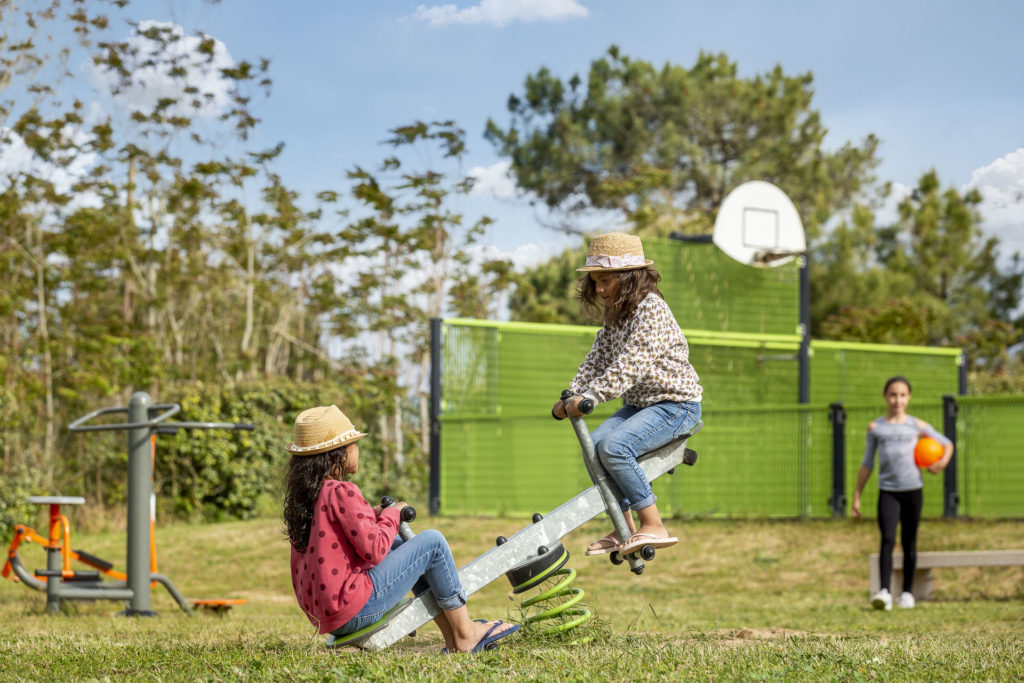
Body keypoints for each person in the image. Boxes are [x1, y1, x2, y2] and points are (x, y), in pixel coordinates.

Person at [282, 405, 519, 652]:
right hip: (354, 609)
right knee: (432, 543)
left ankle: (453, 636)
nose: (357, 449)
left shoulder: (309, 498)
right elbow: (374, 549)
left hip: (330, 616)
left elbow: (343, 533)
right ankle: (465, 633)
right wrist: (392, 515)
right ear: (337, 454)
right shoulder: (342, 491)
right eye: (353, 443)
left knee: (404, 547)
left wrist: (374, 515)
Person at [552, 232, 703, 557]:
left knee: (615, 447)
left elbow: (631, 364)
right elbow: (598, 359)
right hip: (640, 406)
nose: (600, 289)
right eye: (595, 282)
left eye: (605, 280)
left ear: (629, 278)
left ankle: (653, 523)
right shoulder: (616, 317)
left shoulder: (652, 311)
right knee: (593, 449)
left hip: (676, 406)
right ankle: (625, 527)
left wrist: (594, 396)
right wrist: (572, 396)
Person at [852, 376, 953, 610]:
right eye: (893, 394)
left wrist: (941, 463)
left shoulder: (917, 426)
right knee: (887, 539)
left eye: (902, 395)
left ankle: (907, 593)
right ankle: (884, 592)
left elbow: (947, 444)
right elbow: (867, 463)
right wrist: (857, 494)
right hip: (888, 492)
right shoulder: (876, 428)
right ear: (885, 396)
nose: (898, 400)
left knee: (909, 541)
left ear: (909, 398)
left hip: (913, 492)